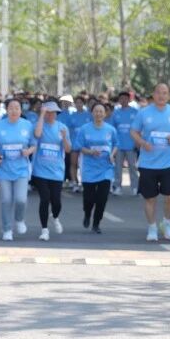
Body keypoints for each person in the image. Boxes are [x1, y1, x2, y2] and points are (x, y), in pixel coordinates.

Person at [130, 83, 170, 242]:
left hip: (168, 162)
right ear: (153, 95)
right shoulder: (143, 113)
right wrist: (143, 143)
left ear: (168, 95)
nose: (161, 96)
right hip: (148, 163)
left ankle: (166, 223)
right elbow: (133, 131)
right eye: (159, 93)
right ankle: (152, 227)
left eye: (165, 93)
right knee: (150, 198)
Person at [0, 99, 36, 241]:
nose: (14, 110)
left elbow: (34, 144)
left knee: (21, 199)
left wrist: (28, 151)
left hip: (21, 169)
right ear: (6, 110)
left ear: (21, 110)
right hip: (3, 169)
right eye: (11, 108)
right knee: (6, 200)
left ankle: (19, 220)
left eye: (17, 108)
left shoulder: (27, 125)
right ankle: (7, 229)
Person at [74, 102, 118, 234]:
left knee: (102, 198)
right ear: (92, 113)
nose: (99, 113)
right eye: (96, 111)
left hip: (106, 168)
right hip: (89, 168)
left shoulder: (111, 129)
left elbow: (116, 144)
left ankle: (96, 223)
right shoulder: (84, 129)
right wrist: (90, 152)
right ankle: (87, 214)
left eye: (101, 111)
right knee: (89, 199)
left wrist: (112, 155)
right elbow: (79, 145)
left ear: (105, 114)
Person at [32, 101, 71, 241]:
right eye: (48, 112)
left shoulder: (62, 127)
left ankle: (55, 217)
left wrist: (64, 137)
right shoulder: (39, 125)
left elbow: (68, 149)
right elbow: (37, 134)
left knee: (56, 202)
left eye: (53, 112)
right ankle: (44, 230)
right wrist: (42, 115)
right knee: (45, 198)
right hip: (40, 170)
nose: (50, 115)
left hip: (56, 171)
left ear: (57, 113)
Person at [110, 91, 139, 196]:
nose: (123, 100)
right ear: (119, 100)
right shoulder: (115, 113)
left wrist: (137, 142)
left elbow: (138, 129)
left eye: (125, 98)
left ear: (129, 99)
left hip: (131, 145)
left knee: (132, 167)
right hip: (119, 145)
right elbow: (112, 130)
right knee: (118, 167)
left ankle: (135, 187)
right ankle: (117, 187)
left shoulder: (135, 112)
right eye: (121, 98)